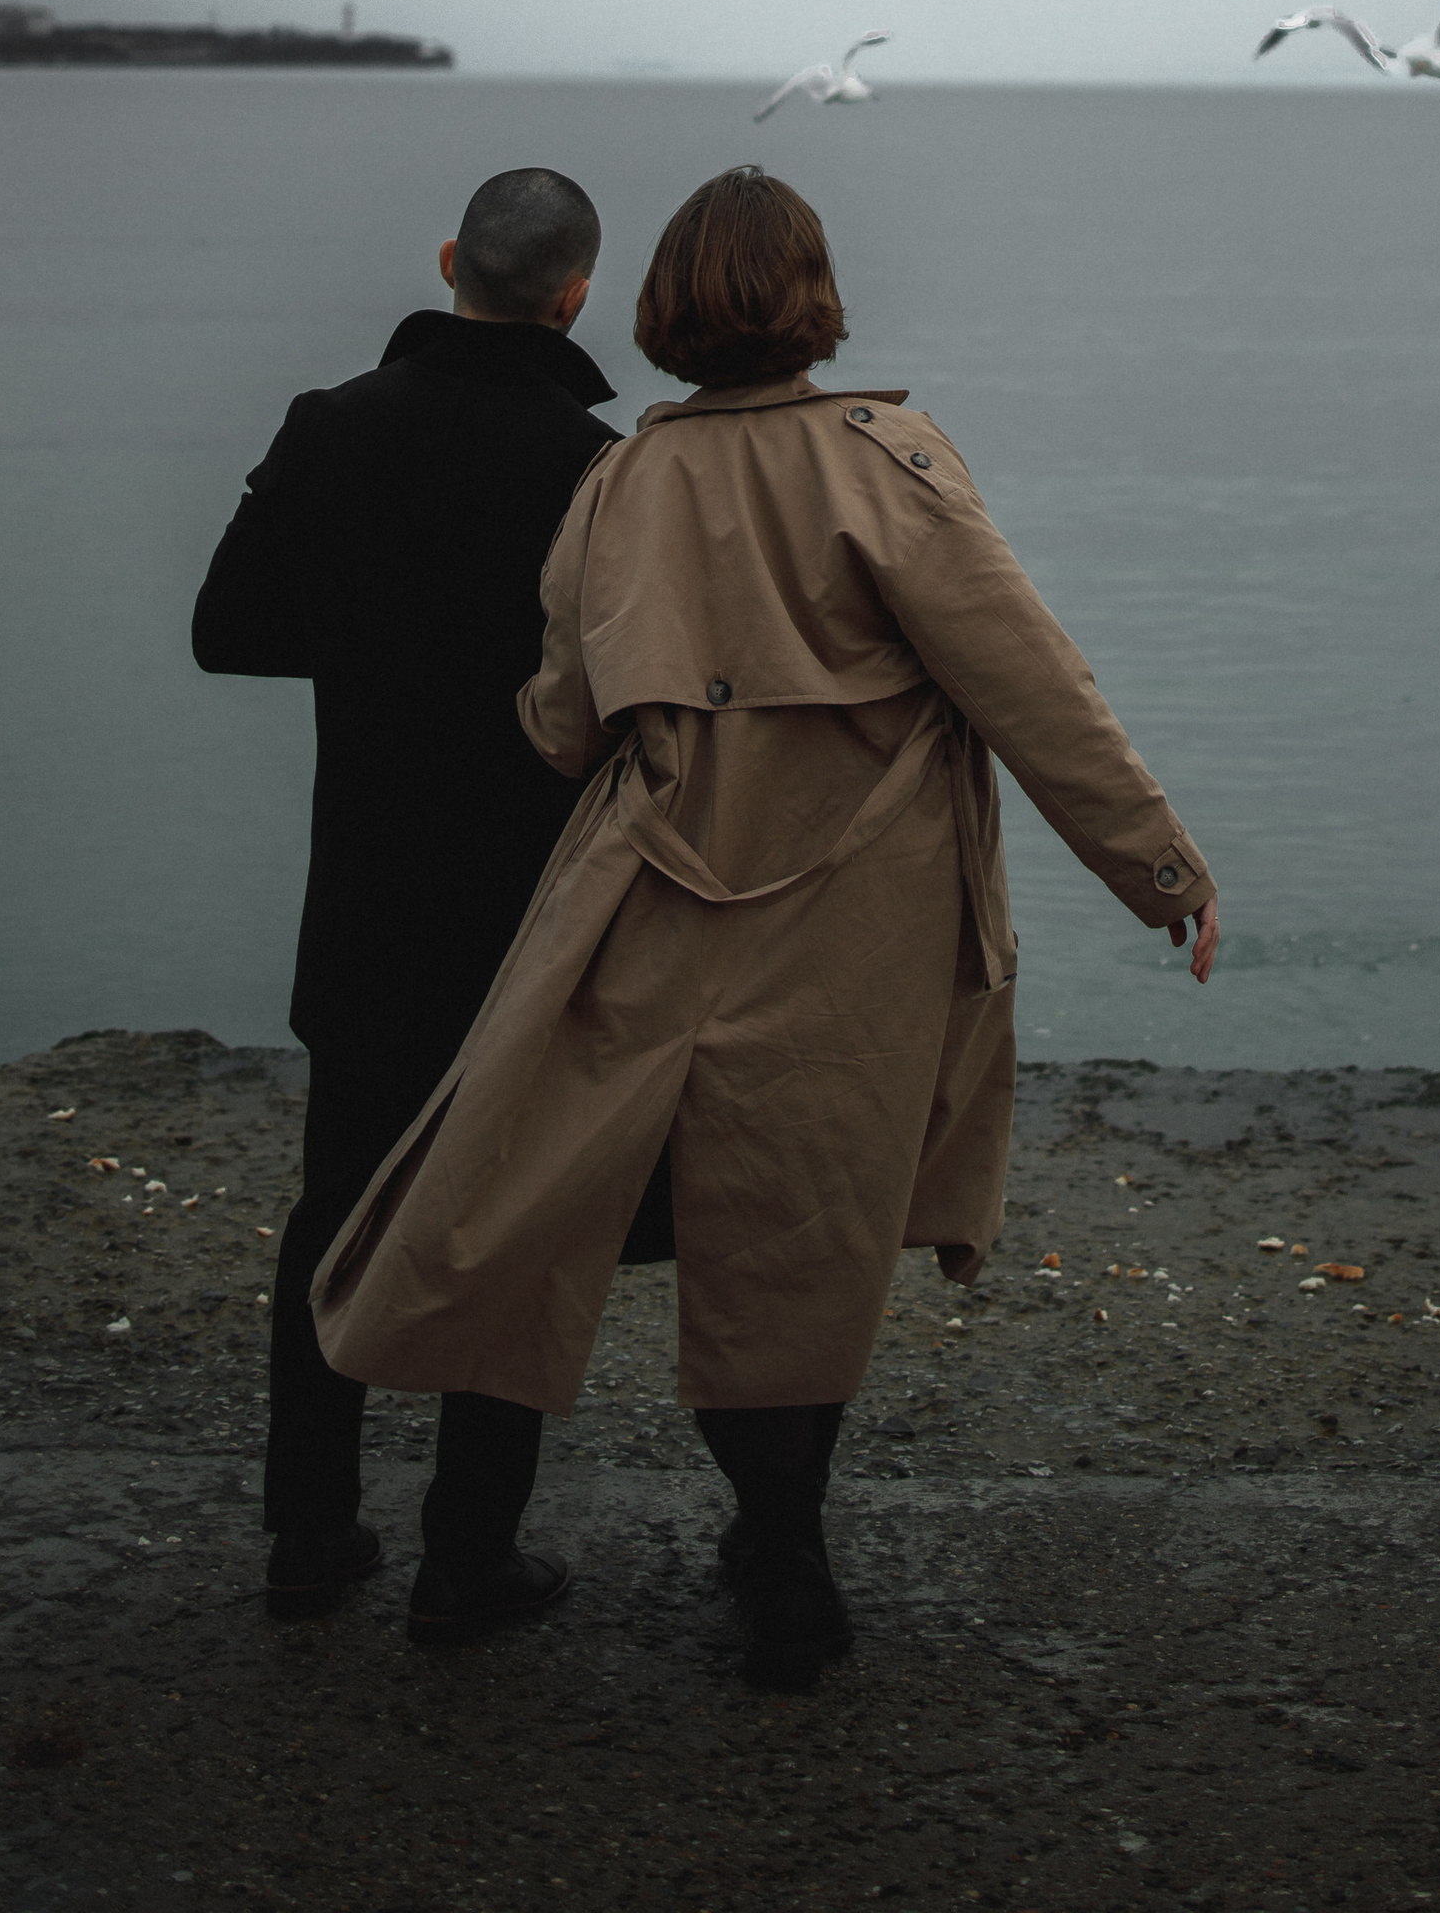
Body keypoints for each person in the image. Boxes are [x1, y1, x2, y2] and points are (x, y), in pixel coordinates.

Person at [311, 163, 1218, 1689]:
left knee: (560, 1189)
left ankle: (573, 1543)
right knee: (806, 1224)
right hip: (857, 912)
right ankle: (785, 1562)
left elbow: (557, 719)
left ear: (661, 310)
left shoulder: (625, 480)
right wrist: (1163, 874)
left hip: (658, 893)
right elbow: (1032, 687)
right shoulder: (892, 457)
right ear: (813, 300)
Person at [192, 163, 618, 1634]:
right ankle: (466, 1556)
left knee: (334, 1212)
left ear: (450, 261)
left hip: (365, 898)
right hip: (530, 916)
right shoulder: (594, 464)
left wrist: (377, 648)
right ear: (575, 294)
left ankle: (310, 1536)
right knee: (506, 1226)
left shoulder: (332, 427)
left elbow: (228, 630)